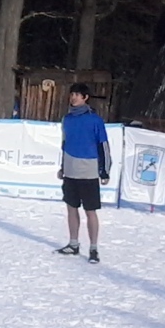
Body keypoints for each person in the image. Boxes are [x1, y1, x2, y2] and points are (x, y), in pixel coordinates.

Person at [54, 83, 111, 264]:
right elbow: (64, 144)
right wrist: (63, 167)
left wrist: (104, 171)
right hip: (70, 170)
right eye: (72, 94)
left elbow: (104, 147)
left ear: (85, 98)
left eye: (77, 95)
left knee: (90, 211)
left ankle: (93, 248)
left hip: (88, 170)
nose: (73, 98)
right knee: (71, 208)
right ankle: (73, 243)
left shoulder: (95, 120)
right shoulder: (67, 119)